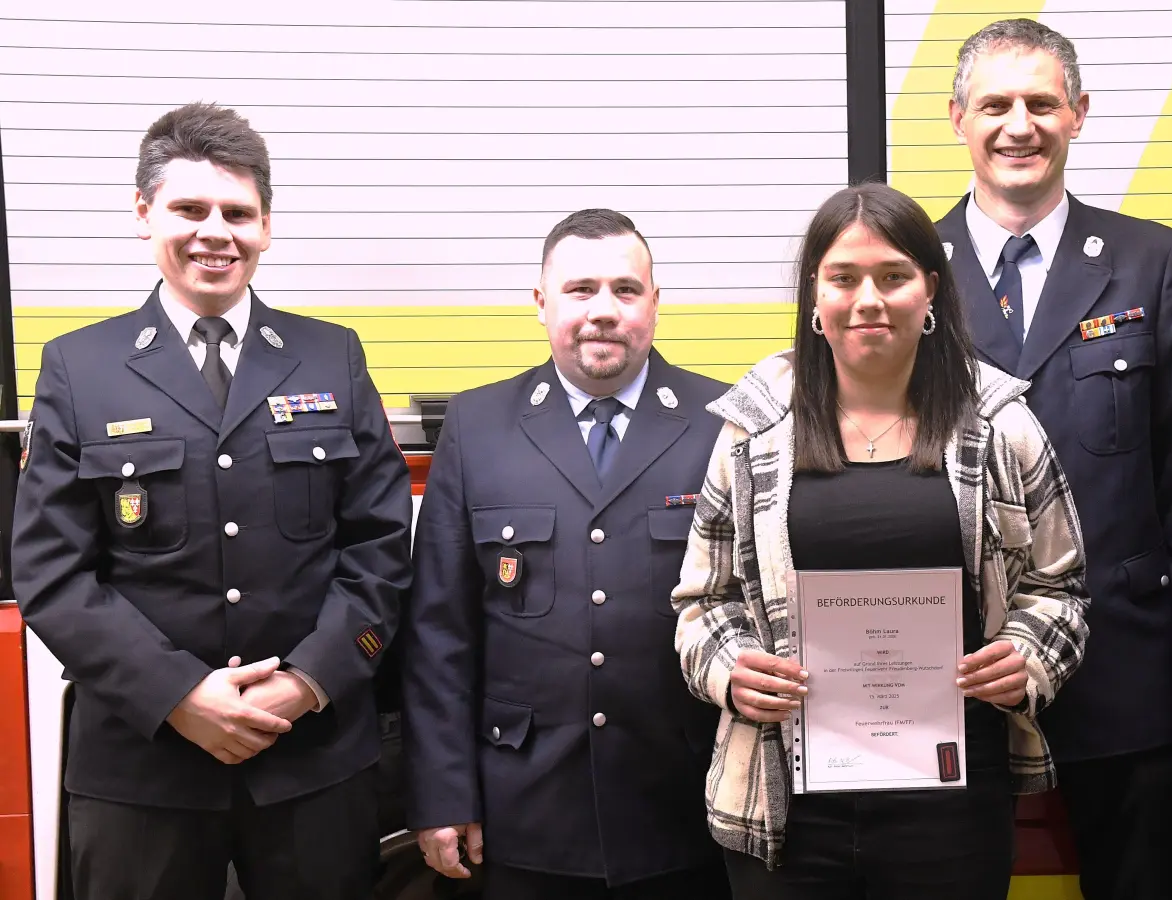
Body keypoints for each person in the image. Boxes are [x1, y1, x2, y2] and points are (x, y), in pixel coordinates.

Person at [10, 102, 414, 900]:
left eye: (238, 213)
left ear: (267, 227)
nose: (215, 233)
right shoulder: (77, 368)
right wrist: (180, 698)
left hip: (313, 761)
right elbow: (52, 574)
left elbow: (379, 547)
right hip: (143, 767)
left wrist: (306, 683)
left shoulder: (329, 354)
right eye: (190, 209)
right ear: (143, 215)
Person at [672, 181, 1092, 899]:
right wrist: (731, 670)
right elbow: (702, 601)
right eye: (844, 277)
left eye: (893, 276)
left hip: (952, 805)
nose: (869, 298)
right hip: (785, 806)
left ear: (929, 290)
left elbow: (1062, 589)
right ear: (815, 296)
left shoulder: (1002, 425)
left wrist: (1027, 659)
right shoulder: (753, 428)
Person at [934, 18, 1172, 899]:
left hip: (1122, 661)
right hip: (957, 665)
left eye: (1042, 103)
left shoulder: (1149, 259)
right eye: (995, 105)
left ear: (1078, 114)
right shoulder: (906, 270)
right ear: (957, 119)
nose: (1020, 125)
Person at [402, 208, 733, 900]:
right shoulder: (476, 426)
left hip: (684, 805)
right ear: (541, 302)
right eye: (581, 290)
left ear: (655, 303)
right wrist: (441, 793)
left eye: (625, 290)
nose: (603, 311)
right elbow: (439, 634)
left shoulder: (723, 425)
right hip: (522, 808)